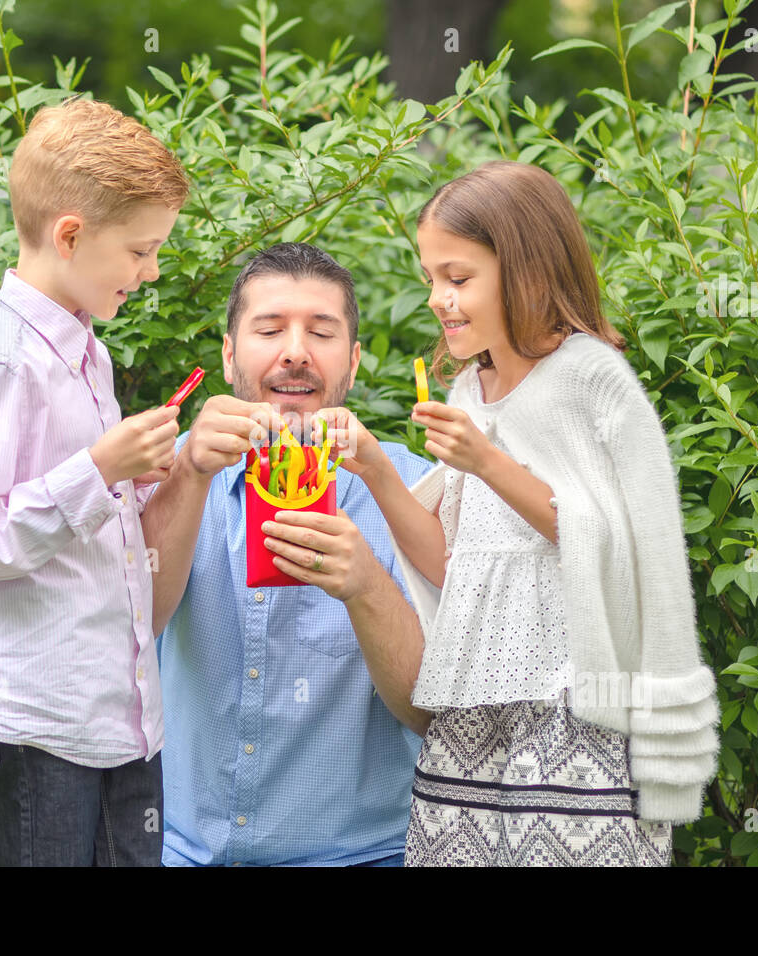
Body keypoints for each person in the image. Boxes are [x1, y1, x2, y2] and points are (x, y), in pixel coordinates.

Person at [342, 161, 721, 866]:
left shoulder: (589, 378)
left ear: (526, 268)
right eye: (430, 279)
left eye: (457, 278)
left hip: (575, 703)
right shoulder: (467, 390)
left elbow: (620, 542)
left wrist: (488, 462)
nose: (438, 300)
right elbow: (456, 565)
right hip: (476, 704)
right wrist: (375, 467)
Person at [0, 98, 189, 866]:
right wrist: (102, 467)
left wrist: (135, 478)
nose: (153, 270)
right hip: (51, 719)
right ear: (70, 236)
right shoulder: (8, 357)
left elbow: (82, 511)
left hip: (121, 713)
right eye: (141, 251)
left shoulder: (85, 352)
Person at [141, 243, 435, 866]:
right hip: (183, 854)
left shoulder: (414, 494)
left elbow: (430, 715)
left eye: (321, 332)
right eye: (269, 328)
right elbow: (127, 630)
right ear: (228, 355)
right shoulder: (161, 469)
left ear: (352, 364)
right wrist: (188, 475)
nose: (295, 350)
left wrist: (366, 586)